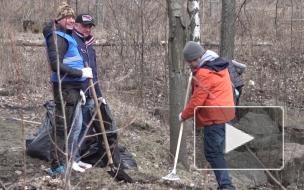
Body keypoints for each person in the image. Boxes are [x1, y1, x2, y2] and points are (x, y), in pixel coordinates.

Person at [42, 2, 93, 175]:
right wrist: (81, 73)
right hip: (64, 87)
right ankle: (56, 166)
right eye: (67, 17)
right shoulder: (57, 37)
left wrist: (79, 85)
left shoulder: (66, 34)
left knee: (75, 126)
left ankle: (70, 160)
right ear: (59, 18)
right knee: (62, 126)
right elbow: (56, 65)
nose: (71, 20)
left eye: (72, 17)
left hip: (73, 88)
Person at [179, 41, 236, 190]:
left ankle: (226, 186)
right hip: (226, 115)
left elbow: (197, 100)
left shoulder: (205, 73)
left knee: (212, 153)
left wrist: (184, 115)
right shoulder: (218, 65)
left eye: (190, 62)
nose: (189, 65)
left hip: (215, 118)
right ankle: (224, 184)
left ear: (194, 59)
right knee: (216, 152)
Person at [72, 14, 118, 167]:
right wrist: (77, 88)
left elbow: (94, 72)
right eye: (85, 26)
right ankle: (71, 158)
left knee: (85, 126)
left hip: (90, 93)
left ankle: (77, 158)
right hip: (77, 91)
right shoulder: (73, 41)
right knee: (75, 126)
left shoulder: (89, 44)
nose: (88, 29)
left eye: (90, 26)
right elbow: (70, 68)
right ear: (76, 25)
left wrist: (99, 95)